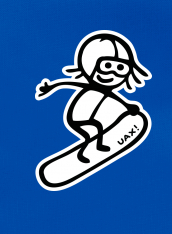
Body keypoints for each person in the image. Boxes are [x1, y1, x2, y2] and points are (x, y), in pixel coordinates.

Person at [36, 31, 151, 163]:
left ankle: (98, 146)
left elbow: (116, 98)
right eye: (107, 65)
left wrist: (128, 106)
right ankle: (82, 154)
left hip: (87, 118)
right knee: (92, 132)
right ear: (91, 65)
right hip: (76, 118)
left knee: (97, 126)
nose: (113, 73)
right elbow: (69, 83)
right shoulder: (92, 86)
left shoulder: (105, 90)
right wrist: (51, 87)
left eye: (120, 68)